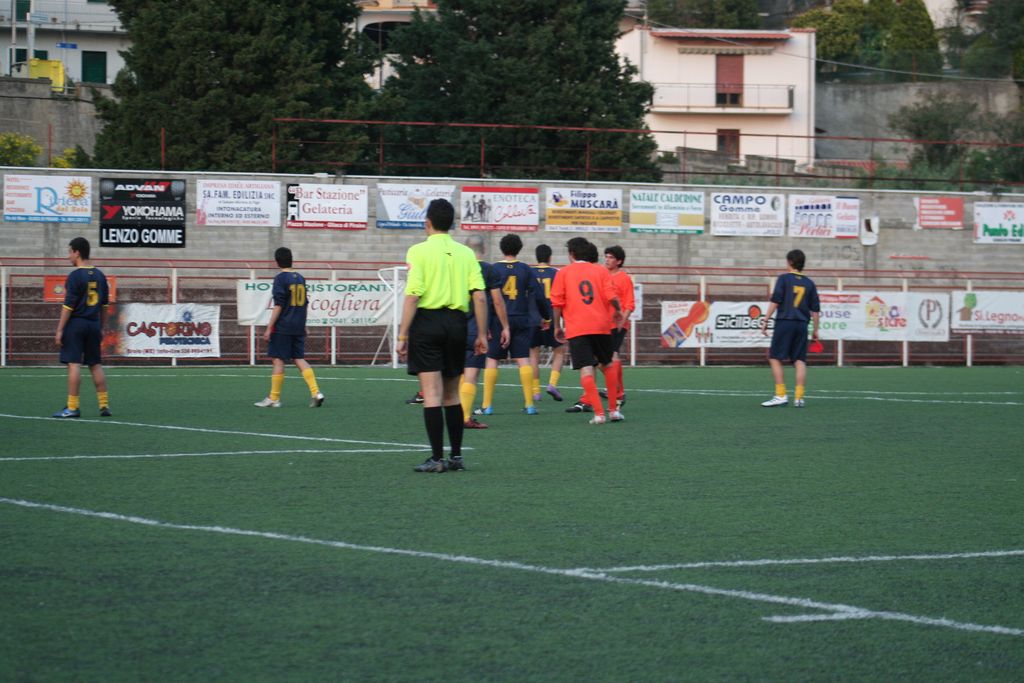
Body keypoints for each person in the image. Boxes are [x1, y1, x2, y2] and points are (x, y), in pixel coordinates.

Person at [397, 198, 488, 472]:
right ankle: (456, 457)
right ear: (452, 224)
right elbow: (479, 296)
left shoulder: (418, 251)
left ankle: (436, 459)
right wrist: (482, 334)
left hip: (427, 323)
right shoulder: (466, 253)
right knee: (452, 395)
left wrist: (402, 335)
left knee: (432, 394)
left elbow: (413, 295)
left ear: (427, 223)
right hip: (457, 324)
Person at [550, 237, 624, 425]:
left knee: (586, 368)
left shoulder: (563, 273)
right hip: (601, 325)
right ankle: (614, 411)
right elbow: (611, 296)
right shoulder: (601, 270)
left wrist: (557, 326)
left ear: (572, 254)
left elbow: (557, 303)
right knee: (608, 364)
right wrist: (618, 311)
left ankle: (599, 414)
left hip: (577, 327)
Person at [477, 233, 550, 416]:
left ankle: (487, 405)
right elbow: (539, 295)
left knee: (492, 359)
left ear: (501, 248)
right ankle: (529, 404)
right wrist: (546, 316)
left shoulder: (493, 268)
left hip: (498, 319)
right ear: (519, 248)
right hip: (520, 318)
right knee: (523, 359)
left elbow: (488, 299)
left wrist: (485, 324)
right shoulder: (526, 269)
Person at [255, 247, 325, 409]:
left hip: (283, 326)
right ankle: (316, 392)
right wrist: (303, 324)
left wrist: (269, 327)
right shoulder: (300, 278)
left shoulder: (280, 279)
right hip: (298, 325)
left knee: (278, 359)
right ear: (291, 259)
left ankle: (274, 398)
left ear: (277, 262)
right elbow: (304, 303)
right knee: (299, 358)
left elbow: (279, 305)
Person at [52, 237, 111, 418]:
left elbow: (68, 306)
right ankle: (104, 405)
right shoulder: (100, 275)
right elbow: (105, 306)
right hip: (93, 324)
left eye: (70, 252)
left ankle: (72, 407)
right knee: (95, 364)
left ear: (77, 252)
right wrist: (101, 327)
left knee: (74, 364)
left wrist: (60, 329)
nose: (68, 256)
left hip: (77, 324)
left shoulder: (75, 276)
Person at [459, 235, 510, 429]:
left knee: (458, 373)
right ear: (484, 249)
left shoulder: (457, 267)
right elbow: (497, 301)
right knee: (472, 374)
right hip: (475, 328)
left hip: (454, 326)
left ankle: (456, 413)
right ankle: (464, 417)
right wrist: (505, 326)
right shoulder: (488, 269)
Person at [759, 248, 820, 408]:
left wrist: (765, 320)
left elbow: (776, 300)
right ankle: (799, 398)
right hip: (802, 325)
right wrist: (815, 331)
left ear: (790, 262)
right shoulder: (810, 283)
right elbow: (815, 310)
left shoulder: (784, 279)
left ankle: (780, 395)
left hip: (785, 322)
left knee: (774, 357)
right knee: (799, 360)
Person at [529, 244, 565, 402]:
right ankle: (552, 384)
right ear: (550, 257)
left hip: (534, 319)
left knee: (533, 354)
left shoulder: (530, 272)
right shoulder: (556, 273)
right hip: (552, 319)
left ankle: (536, 392)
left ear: (536, 257)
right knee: (559, 351)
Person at [600, 245, 634, 406]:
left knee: (612, 355)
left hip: (617, 324)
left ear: (619, 261)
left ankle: (617, 391)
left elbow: (630, 303)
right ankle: (617, 389)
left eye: (611, 257)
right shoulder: (601, 275)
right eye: (606, 256)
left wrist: (622, 320)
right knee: (604, 358)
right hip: (602, 323)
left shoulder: (624, 278)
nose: (607, 259)